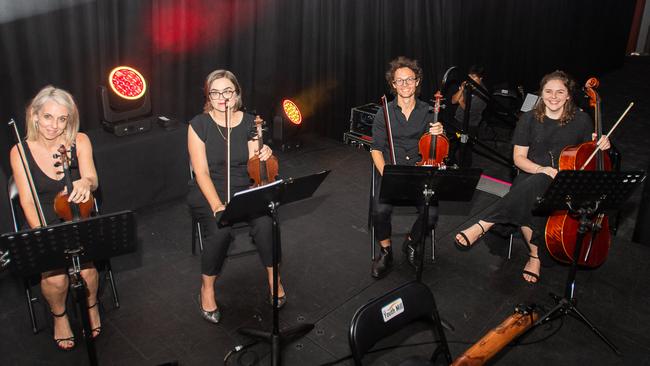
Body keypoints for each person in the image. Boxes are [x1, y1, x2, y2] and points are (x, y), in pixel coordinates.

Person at [453, 70, 611, 283]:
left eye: (559, 92)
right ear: (541, 93)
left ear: (568, 95)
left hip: (565, 181)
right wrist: (541, 169)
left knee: (534, 187)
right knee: (536, 185)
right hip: (531, 173)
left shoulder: (581, 120)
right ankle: (535, 256)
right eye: (548, 91)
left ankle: (485, 223)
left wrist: (601, 145)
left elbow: (589, 157)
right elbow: (519, 159)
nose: (553, 97)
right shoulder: (528, 119)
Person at [187, 69, 284, 324]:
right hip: (211, 189)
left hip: (245, 185)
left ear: (236, 93)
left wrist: (265, 153)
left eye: (227, 91)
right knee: (220, 231)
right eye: (216, 92)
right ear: (209, 95)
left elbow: (255, 163)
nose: (222, 98)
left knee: (266, 223)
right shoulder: (199, 125)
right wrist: (217, 204)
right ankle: (206, 288)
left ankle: (275, 279)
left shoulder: (251, 122)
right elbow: (202, 173)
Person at [9, 86, 101, 350]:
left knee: (87, 269)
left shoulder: (80, 141)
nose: (54, 125)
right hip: (43, 220)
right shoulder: (20, 151)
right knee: (55, 278)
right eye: (48, 117)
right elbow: (27, 200)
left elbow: (92, 179)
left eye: (62, 119)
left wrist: (85, 182)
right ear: (35, 116)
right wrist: (44, 234)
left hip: (76, 215)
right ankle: (59, 316)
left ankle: (91, 306)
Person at [369, 56, 445, 278]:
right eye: (399, 81)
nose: (404, 85)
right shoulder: (384, 112)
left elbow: (440, 147)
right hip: (391, 169)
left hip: (420, 171)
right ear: (393, 84)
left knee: (431, 214)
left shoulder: (430, 112)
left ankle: (411, 243)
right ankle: (385, 250)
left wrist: (439, 134)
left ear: (417, 81)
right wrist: (387, 175)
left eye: (409, 79)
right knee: (379, 211)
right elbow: (376, 149)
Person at [449, 65, 488, 167]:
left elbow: (470, 111)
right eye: (470, 76)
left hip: (470, 125)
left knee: (466, 149)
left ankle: (465, 170)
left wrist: (461, 101)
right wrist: (461, 89)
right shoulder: (468, 86)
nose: (471, 79)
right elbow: (453, 101)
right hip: (458, 121)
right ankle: (451, 165)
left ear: (481, 78)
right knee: (452, 146)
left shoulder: (482, 94)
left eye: (474, 77)